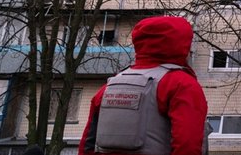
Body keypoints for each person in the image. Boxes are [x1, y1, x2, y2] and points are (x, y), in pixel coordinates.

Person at [80, 16, 208, 155]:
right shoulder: (181, 84)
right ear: (181, 44)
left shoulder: (111, 84)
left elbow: (87, 143)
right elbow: (188, 144)